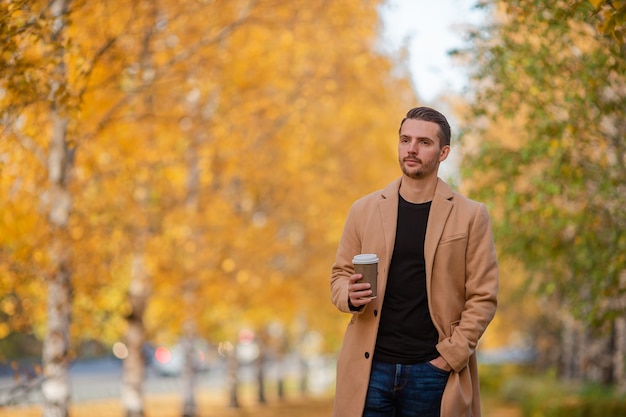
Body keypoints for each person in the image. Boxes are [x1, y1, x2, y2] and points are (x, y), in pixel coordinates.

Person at [330, 106, 498, 417]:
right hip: (369, 370)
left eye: (424, 142)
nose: (411, 149)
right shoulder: (363, 210)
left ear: (443, 152)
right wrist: (348, 296)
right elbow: (339, 275)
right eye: (405, 139)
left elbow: (483, 297)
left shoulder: (471, 215)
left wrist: (450, 357)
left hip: (431, 373)